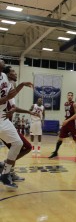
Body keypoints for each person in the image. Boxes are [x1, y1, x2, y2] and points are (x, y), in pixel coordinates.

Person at [0, 59, 33, 190]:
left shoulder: (3, 76)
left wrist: (21, 85)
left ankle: (6, 172)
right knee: (21, 145)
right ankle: (5, 171)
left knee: (19, 144)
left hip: (2, 117)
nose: (2, 60)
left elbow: (11, 94)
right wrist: (7, 99)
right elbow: (7, 98)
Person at [49, 92, 76, 160]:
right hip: (66, 122)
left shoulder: (74, 104)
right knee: (60, 137)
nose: (70, 96)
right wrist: (65, 120)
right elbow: (68, 114)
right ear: (67, 96)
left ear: (72, 96)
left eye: (71, 95)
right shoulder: (66, 104)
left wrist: (67, 120)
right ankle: (56, 152)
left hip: (73, 123)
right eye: (69, 95)